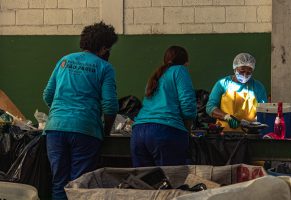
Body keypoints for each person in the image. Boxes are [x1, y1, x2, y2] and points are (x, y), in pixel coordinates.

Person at [43, 21, 118, 200]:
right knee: (79, 185)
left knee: (59, 183)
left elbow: (48, 95)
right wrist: (105, 131)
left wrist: (61, 113)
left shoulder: (65, 60)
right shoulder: (105, 67)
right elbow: (110, 106)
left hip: (55, 129)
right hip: (86, 130)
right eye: (108, 48)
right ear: (103, 48)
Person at [130, 46, 197, 167]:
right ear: (186, 62)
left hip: (138, 133)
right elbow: (188, 105)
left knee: (143, 182)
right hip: (165, 132)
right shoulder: (180, 70)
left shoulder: (157, 75)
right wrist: (187, 131)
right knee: (171, 181)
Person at [206, 53, 267, 132]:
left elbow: (264, 111)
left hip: (250, 134)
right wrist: (226, 117)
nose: (245, 75)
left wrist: (253, 124)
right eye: (242, 71)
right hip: (224, 133)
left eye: (249, 72)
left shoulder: (258, 87)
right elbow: (210, 107)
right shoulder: (223, 84)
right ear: (235, 68)